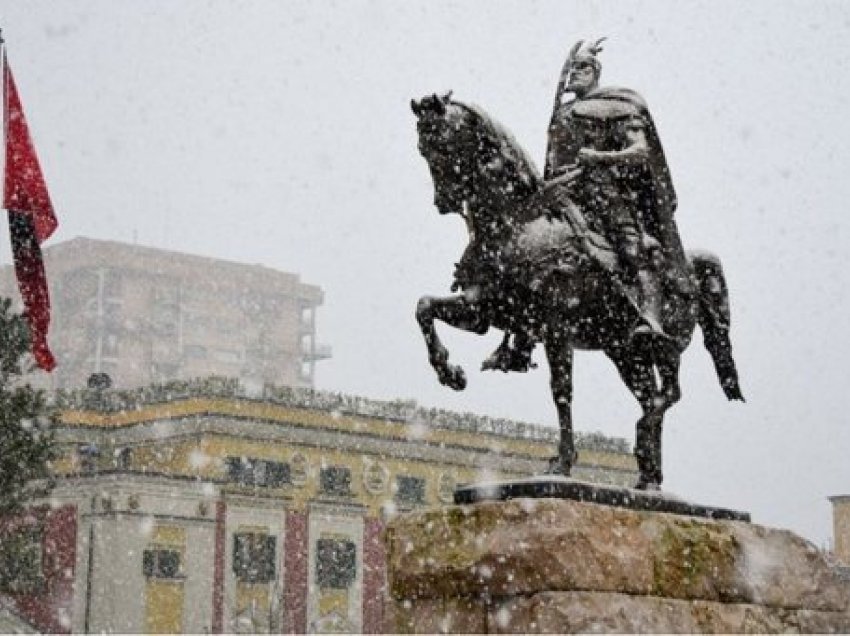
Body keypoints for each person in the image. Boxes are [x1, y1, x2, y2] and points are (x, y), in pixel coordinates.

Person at [483, 38, 691, 373]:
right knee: (523, 245)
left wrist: (600, 157)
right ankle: (517, 339)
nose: (573, 77)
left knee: (632, 248)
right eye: (572, 70)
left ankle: (651, 318)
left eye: (581, 69)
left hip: (605, 195)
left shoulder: (618, 106)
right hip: (560, 193)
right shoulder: (564, 113)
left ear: (594, 72)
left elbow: (640, 151)